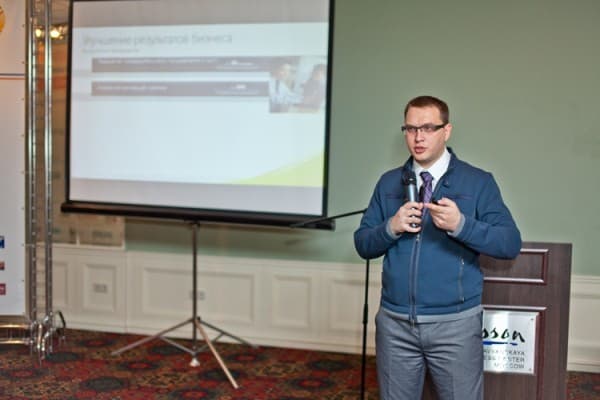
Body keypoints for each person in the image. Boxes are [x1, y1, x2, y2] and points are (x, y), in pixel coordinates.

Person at [354, 95, 521, 400]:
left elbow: (509, 243)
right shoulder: (388, 183)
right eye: (410, 128)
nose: (418, 137)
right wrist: (391, 227)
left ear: (447, 131)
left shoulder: (478, 182)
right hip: (395, 324)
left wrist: (462, 225)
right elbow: (363, 244)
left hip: (455, 326)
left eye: (428, 128)